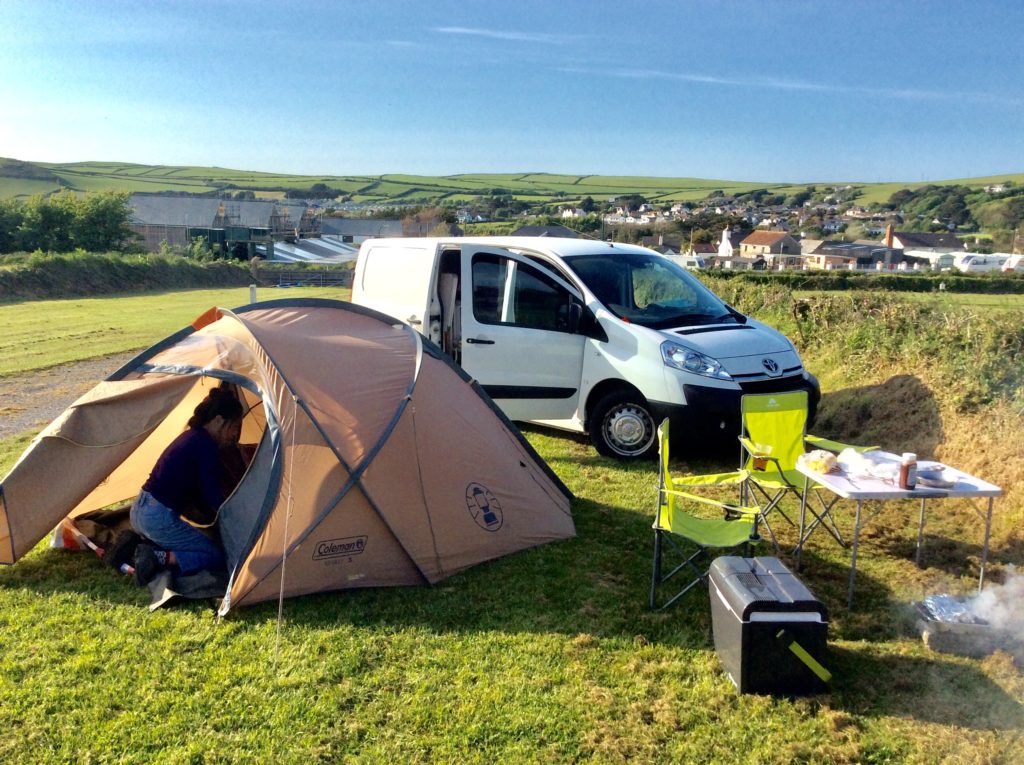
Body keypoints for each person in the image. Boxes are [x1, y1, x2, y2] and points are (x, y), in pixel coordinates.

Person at [130, 386, 244, 585]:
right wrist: (235, 518)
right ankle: (156, 557)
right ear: (219, 420)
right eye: (234, 426)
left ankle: (137, 548)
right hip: (157, 519)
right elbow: (212, 495)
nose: (235, 433)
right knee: (214, 555)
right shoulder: (206, 446)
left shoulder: (191, 436)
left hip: (139, 511)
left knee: (193, 540)